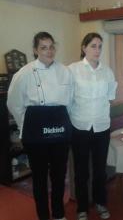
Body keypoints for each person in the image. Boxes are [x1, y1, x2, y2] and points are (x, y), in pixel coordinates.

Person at [7, 32, 72, 220]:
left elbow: (71, 100)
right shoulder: (24, 73)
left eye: (51, 46)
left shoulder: (65, 71)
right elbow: (13, 103)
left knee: (59, 176)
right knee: (40, 179)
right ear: (35, 50)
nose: (49, 51)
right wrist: (24, 126)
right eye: (43, 47)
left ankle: (59, 214)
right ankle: (43, 215)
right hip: (35, 132)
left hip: (60, 129)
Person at [68, 32, 117, 220]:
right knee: (81, 171)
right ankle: (82, 208)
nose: (97, 50)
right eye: (93, 46)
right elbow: (68, 98)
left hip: (101, 127)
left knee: (99, 170)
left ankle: (100, 202)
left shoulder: (107, 71)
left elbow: (110, 98)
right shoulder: (72, 70)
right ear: (84, 48)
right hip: (80, 126)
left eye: (99, 46)